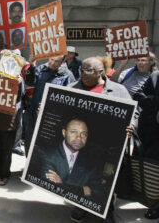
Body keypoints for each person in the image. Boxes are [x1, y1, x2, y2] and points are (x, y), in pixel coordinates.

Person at [68, 57, 135, 223]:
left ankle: (106, 211)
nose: (83, 74)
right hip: (81, 147)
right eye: (82, 70)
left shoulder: (118, 90)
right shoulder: (71, 88)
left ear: (100, 72)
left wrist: (132, 125)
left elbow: (134, 113)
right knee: (81, 179)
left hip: (107, 148)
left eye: (88, 70)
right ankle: (81, 206)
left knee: (106, 182)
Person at [23, 55, 75, 153]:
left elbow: (69, 99)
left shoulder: (67, 75)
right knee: (30, 141)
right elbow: (30, 82)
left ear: (63, 61)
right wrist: (32, 66)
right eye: (51, 60)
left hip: (52, 116)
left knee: (46, 144)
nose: (53, 63)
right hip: (34, 113)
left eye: (57, 61)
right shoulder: (41, 69)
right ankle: (29, 166)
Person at [39, 117, 101, 198]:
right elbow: (49, 186)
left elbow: (97, 191)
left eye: (83, 134)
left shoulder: (91, 164)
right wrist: (83, 190)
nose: (79, 137)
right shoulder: (47, 154)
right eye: (73, 132)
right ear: (64, 133)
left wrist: (61, 184)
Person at [0, 62, 25, 186]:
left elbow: (20, 97)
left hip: (9, 122)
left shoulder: (17, 79)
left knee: (6, 151)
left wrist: (18, 84)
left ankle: (4, 174)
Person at [133, 70, 159, 220]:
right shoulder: (155, 76)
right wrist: (152, 102)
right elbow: (138, 94)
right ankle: (155, 205)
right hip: (152, 133)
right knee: (154, 170)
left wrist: (154, 99)